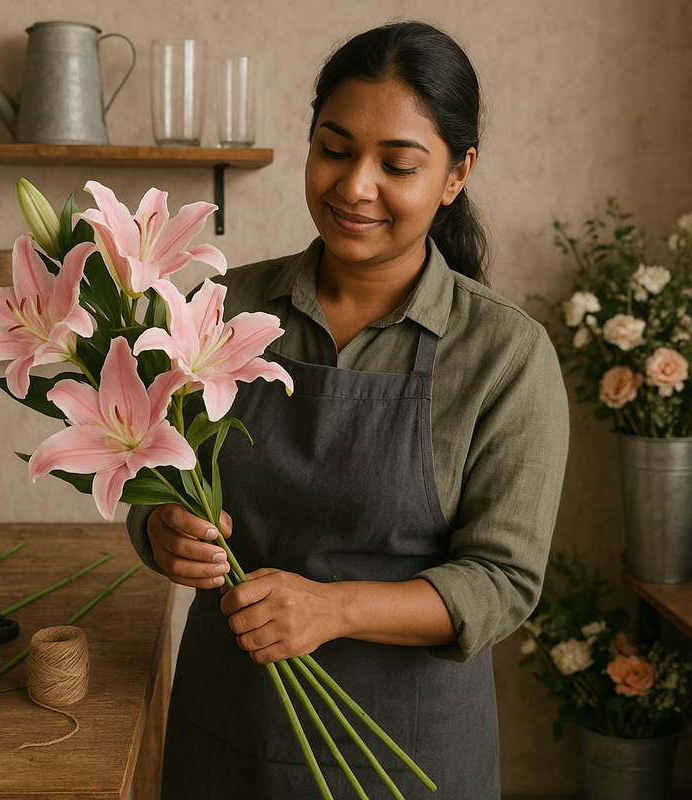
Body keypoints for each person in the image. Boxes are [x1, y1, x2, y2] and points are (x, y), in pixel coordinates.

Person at [127, 20, 569, 800]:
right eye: (334, 149)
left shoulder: (505, 353)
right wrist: (159, 530)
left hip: (410, 755)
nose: (354, 186)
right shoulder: (214, 311)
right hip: (228, 734)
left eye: (397, 164)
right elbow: (151, 469)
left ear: (457, 174)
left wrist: (333, 608)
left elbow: (503, 581)